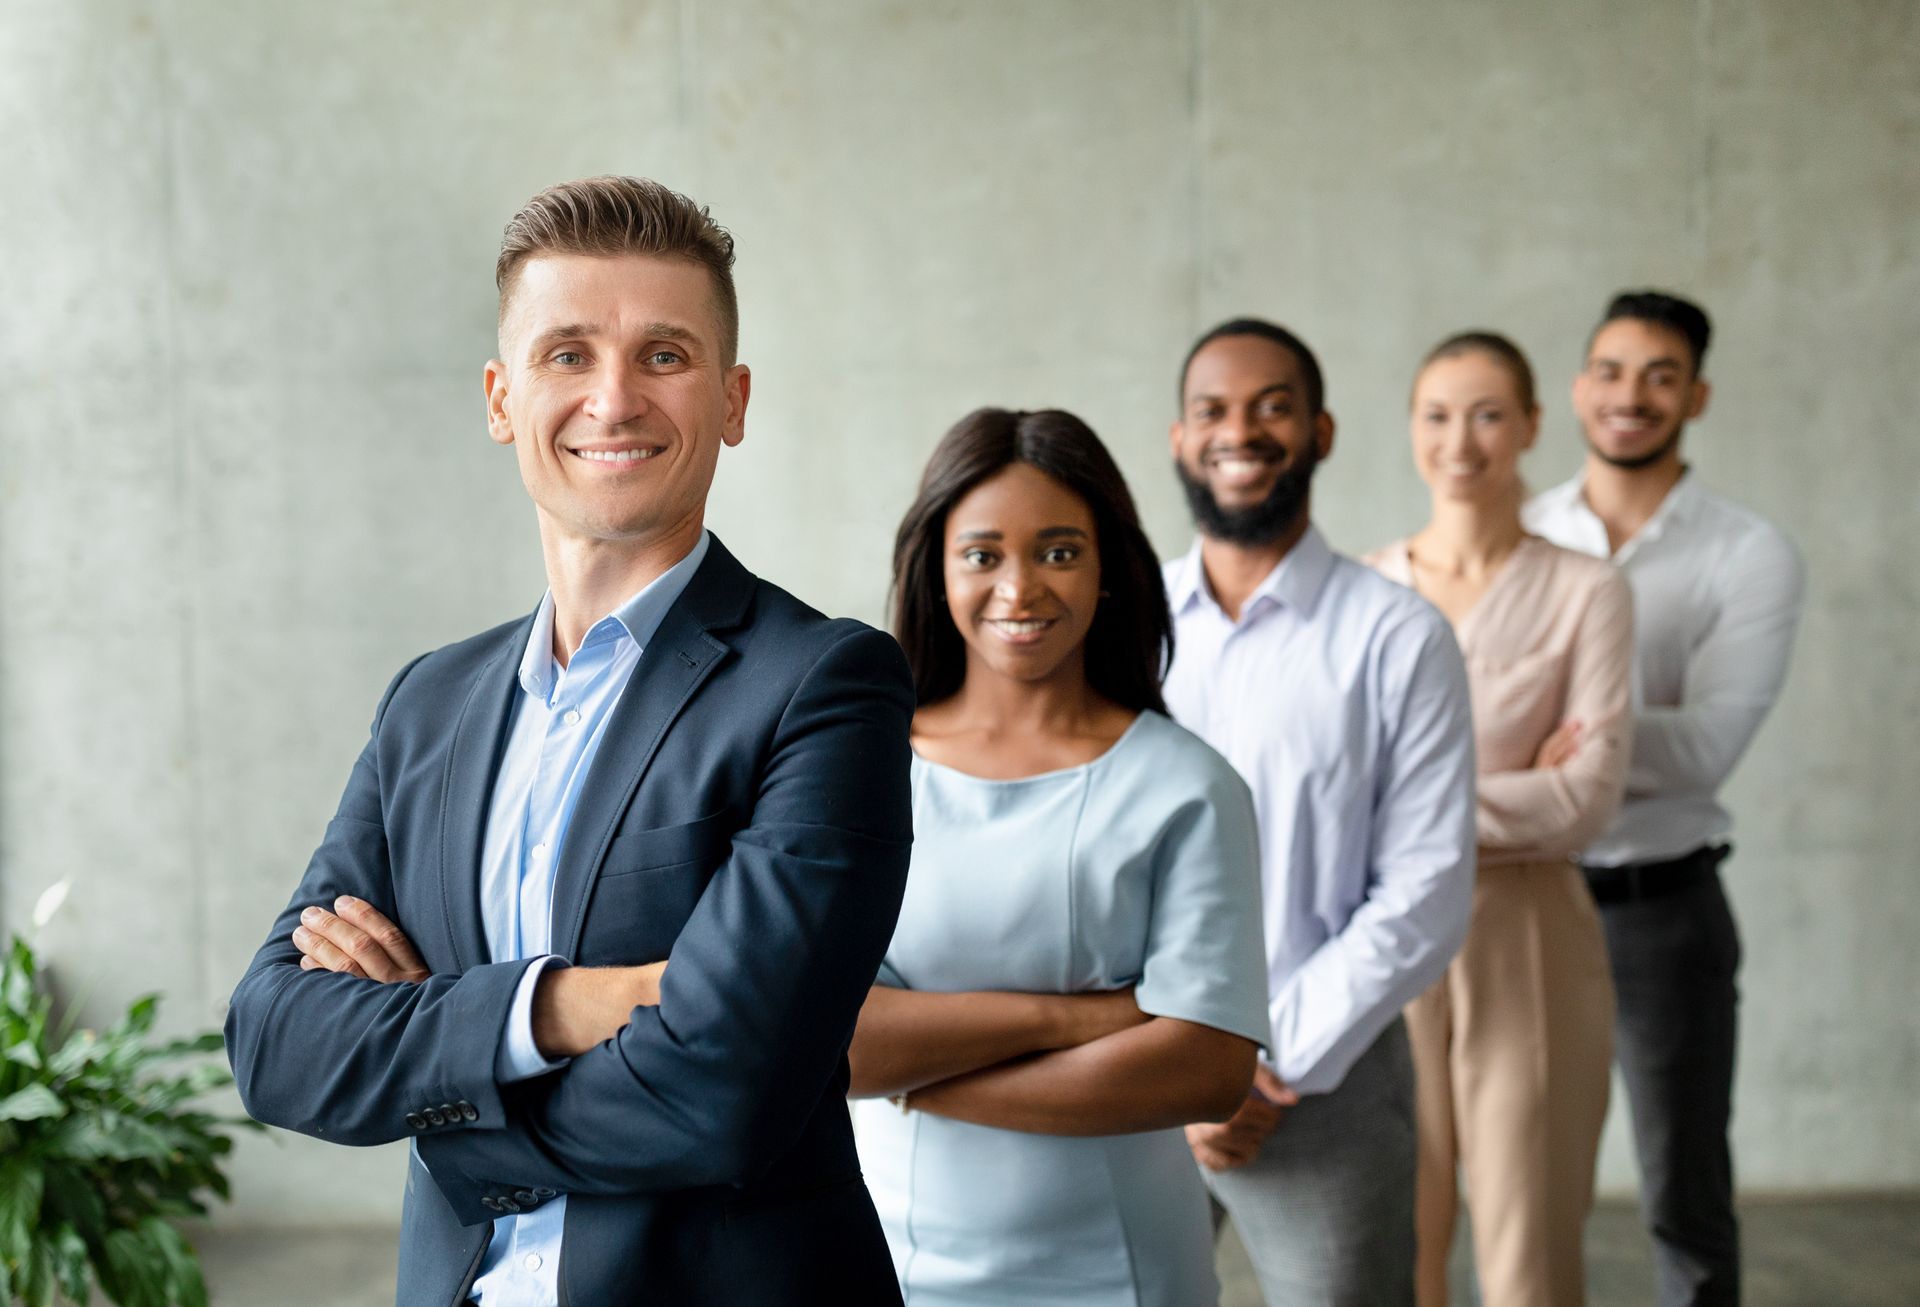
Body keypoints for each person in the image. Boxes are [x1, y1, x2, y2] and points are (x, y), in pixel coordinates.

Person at [223, 176, 916, 1306]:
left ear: (733, 399)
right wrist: (556, 1006)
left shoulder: (824, 684)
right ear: (501, 397)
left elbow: (724, 1089)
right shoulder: (429, 703)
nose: (614, 397)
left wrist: (441, 1094)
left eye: (664, 354)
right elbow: (275, 1039)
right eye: (567, 354)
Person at [848, 407, 1270, 1306]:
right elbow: (833, 1041)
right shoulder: (858, 768)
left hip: (1116, 1270)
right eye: (983, 553)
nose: (1020, 587)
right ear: (937, 567)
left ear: (1109, 566)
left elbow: (1206, 1066)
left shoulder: (1188, 786)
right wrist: (1079, 1019)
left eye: (1059, 550)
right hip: (880, 1254)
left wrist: (917, 1082)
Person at [1162, 318, 1478, 1305]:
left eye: (1273, 406)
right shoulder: (1123, 624)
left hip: (1321, 1082)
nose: (1240, 431)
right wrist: (1173, 1060)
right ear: (1180, 438)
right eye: (1213, 409)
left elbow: (1426, 890)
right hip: (1136, 1075)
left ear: (1323, 432)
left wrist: (1254, 1063)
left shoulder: (1400, 636)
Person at [1525, 291, 1806, 1307]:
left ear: (1697, 393)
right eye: (1611, 369)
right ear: (1578, 386)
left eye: (1659, 374)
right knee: (1519, 1190)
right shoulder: (1522, 529)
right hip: (1529, 896)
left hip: (1664, 911)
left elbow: (1706, 747)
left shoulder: (1747, 551)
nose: (1630, 395)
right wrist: (1569, 739)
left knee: (1682, 1195)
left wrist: (1564, 736)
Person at [1365, 332, 1633, 1306]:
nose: (1461, 441)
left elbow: (1587, 798)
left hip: (1530, 935)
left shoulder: (1587, 589)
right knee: (1396, 1239)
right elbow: (1330, 798)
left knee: (1529, 1242)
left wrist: (1406, 800)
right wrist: (1512, 784)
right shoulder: (1364, 590)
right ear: (1409, 429)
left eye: (1486, 413)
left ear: (1529, 424)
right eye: (1437, 414)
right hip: (1382, 936)